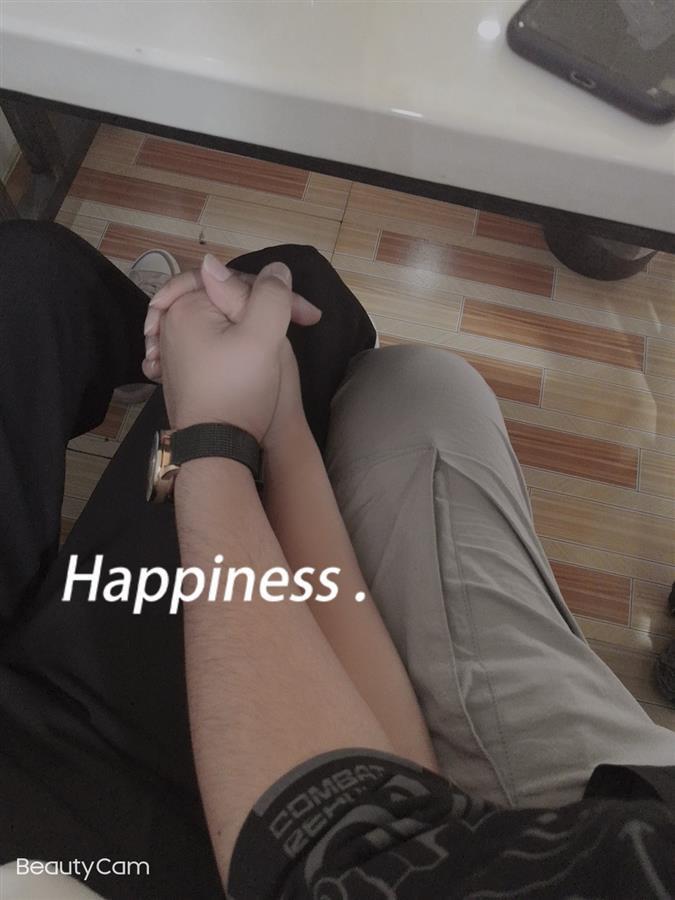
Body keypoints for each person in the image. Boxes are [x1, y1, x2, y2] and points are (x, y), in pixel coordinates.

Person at [0, 218, 673, 900]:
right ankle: (164, 365)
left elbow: (376, 840)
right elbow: (377, 831)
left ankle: (161, 361)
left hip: (75, 765)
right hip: (159, 785)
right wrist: (257, 429)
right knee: (297, 302)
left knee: (28, 270)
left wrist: (217, 432)